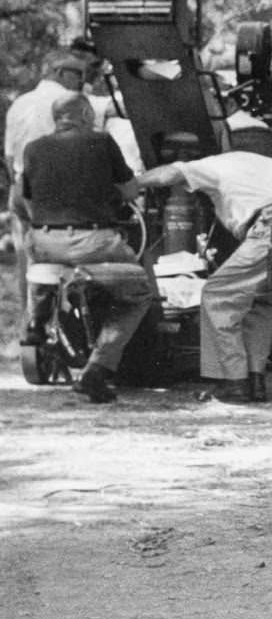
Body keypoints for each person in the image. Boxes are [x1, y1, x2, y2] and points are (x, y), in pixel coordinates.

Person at [135, 147, 272, 404]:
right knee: (262, 302)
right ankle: (255, 381)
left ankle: (235, 383)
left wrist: (132, 184)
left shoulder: (214, 164)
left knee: (217, 294)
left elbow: (169, 175)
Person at [16, 92, 155, 402]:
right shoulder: (102, 141)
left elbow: (25, 201)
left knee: (40, 256)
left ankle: (37, 318)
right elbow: (130, 190)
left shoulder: (33, 148)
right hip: (94, 242)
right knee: (139, 292)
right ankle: (98, 369)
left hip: (45, 241)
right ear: (85, 114)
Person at [4, 51, 94, 311]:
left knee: (27, 261)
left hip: (21, 186)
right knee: (62, 259)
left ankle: (32, 325)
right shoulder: (68, 102)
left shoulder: (20, 103)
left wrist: (18, 186)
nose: (82, 82)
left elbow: (10, 155)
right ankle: (62, 325)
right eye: (79, 75)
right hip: (54, 191)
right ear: (59, 73)